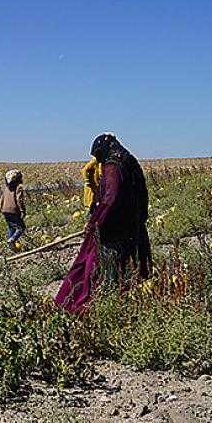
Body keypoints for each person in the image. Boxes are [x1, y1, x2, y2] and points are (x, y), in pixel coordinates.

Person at [54, 133, 152, 313]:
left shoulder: (113, 166)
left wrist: (95, 222)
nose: (98, 160)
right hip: (131, 226)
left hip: (113, 230)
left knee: (91, 266)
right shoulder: (129, 160)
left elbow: (110, 198)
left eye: (99, 156)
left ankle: (80, 305)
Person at [0, 169, 27, 252]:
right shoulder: (19, 188)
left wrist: (2, 209)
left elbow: (1, 200)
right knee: (21, 227)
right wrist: (22, 210)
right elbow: (19, 200)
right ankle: (12, 240)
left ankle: (11, 248)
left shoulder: (6, 189)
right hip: (13, 210)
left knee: (11, 227)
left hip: (5, 210)